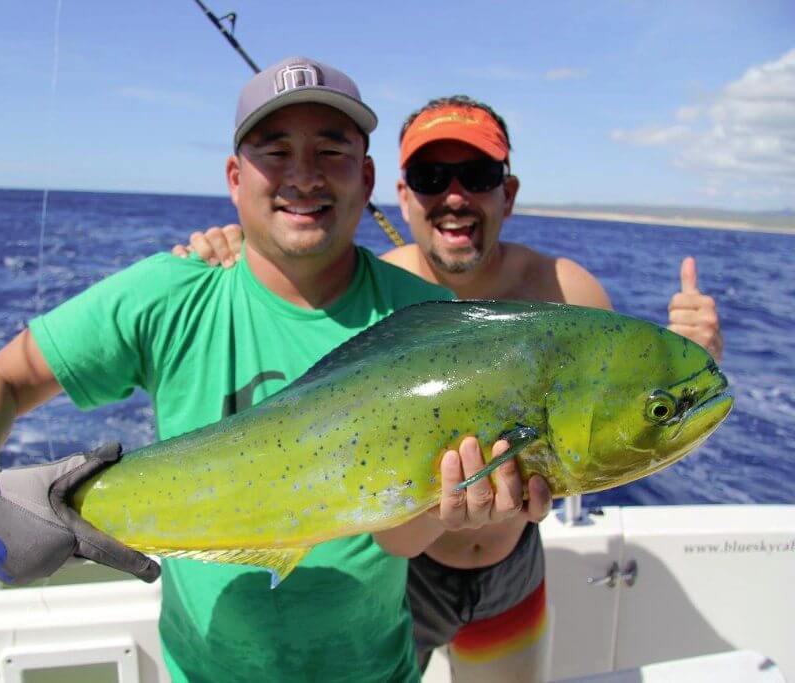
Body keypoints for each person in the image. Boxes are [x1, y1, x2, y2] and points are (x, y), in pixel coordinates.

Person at [0, 60, 549, 683]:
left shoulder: (426, 323)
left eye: (331, 152)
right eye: (274, 152)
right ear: (235, 178)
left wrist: (459, 505)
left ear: (365, 179)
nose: (303, 176)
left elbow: (395, 540)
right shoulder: (169, 294)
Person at [174, 95, 724, 681]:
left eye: (478, 176)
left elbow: (631, 426)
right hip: (408, 580)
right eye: (431, 177)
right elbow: (288, 271)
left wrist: (695, 357)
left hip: (513, 566)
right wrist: (226, 246)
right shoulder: (375, 294)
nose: (455, 196)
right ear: (404, 194)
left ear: (506, 194)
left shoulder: (566, 292)